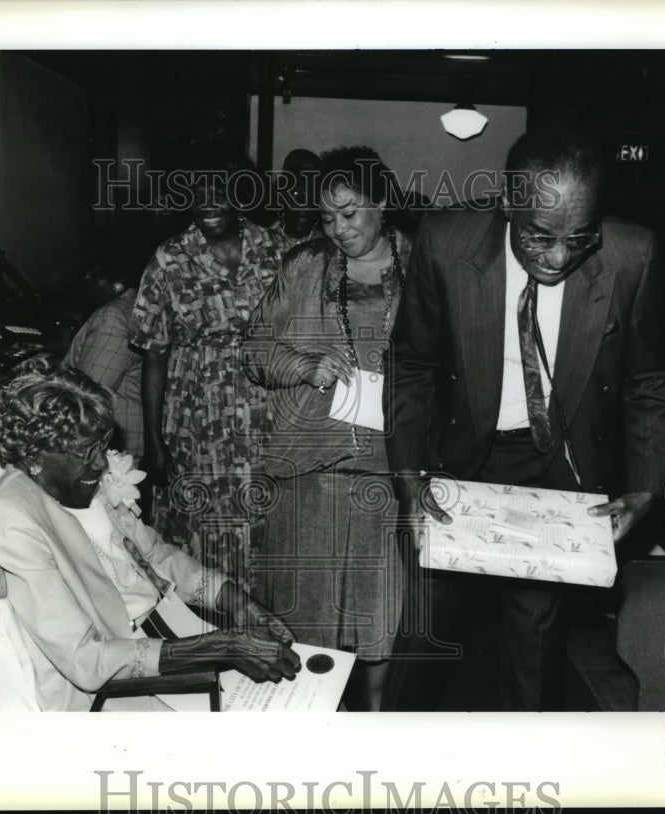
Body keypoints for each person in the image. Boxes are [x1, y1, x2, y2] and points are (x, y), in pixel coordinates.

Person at [382, 127, 665, 712]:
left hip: (559, 471)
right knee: (425, 638)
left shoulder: (631, 253)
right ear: (507, 205)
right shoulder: (445, 243)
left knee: (533, 649)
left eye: (579, 239)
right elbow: (411, 364)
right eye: (540, 237)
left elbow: (649, 381)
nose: (560, 258)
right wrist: (409, 478)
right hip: (459, 465)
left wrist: (644, 487)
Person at [0, 358, 299, 712]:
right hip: (118, 697)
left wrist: (234, 600)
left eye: (103, 445)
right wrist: (221, 647)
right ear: (37, 456)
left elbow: (156, 556)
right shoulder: (8, 516)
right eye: (88, 453)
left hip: (167, 642)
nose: (102, 464)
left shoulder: (77, 483)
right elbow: (86, 660)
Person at [244, 146, 412, 710]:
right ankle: (309, 718)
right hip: (310, 466)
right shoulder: (303, 267)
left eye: (350, 214)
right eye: (326, 217)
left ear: (383, 203)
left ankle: (374, 719)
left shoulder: (424, 264)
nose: (338, 230)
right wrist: (304, 365)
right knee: (307, 606)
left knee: (378, 604)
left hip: (390, 468)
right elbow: (254, 348)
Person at [129, 154, 290, 584]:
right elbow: (154, 355)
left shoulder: (277, 250)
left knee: (264, 512)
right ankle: (208, 628)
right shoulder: (170, 259)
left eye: (218, 191)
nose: (207, 203)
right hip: (196, 417)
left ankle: (263, 621)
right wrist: (154, 443)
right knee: (203, 522)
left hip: (267, 412)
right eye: (196, 194)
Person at [64, 258, 144, 460]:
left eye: (93, 273)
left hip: (115, 451)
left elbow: (86, 395)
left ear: (118, 281)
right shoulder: (132, 307)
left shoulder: (114, 316)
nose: (85, 279)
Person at [270, 148, 322, 247]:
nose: (306, 207)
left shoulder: (328, 247)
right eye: (298, 197)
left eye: (313, 199)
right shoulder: (261, 241)